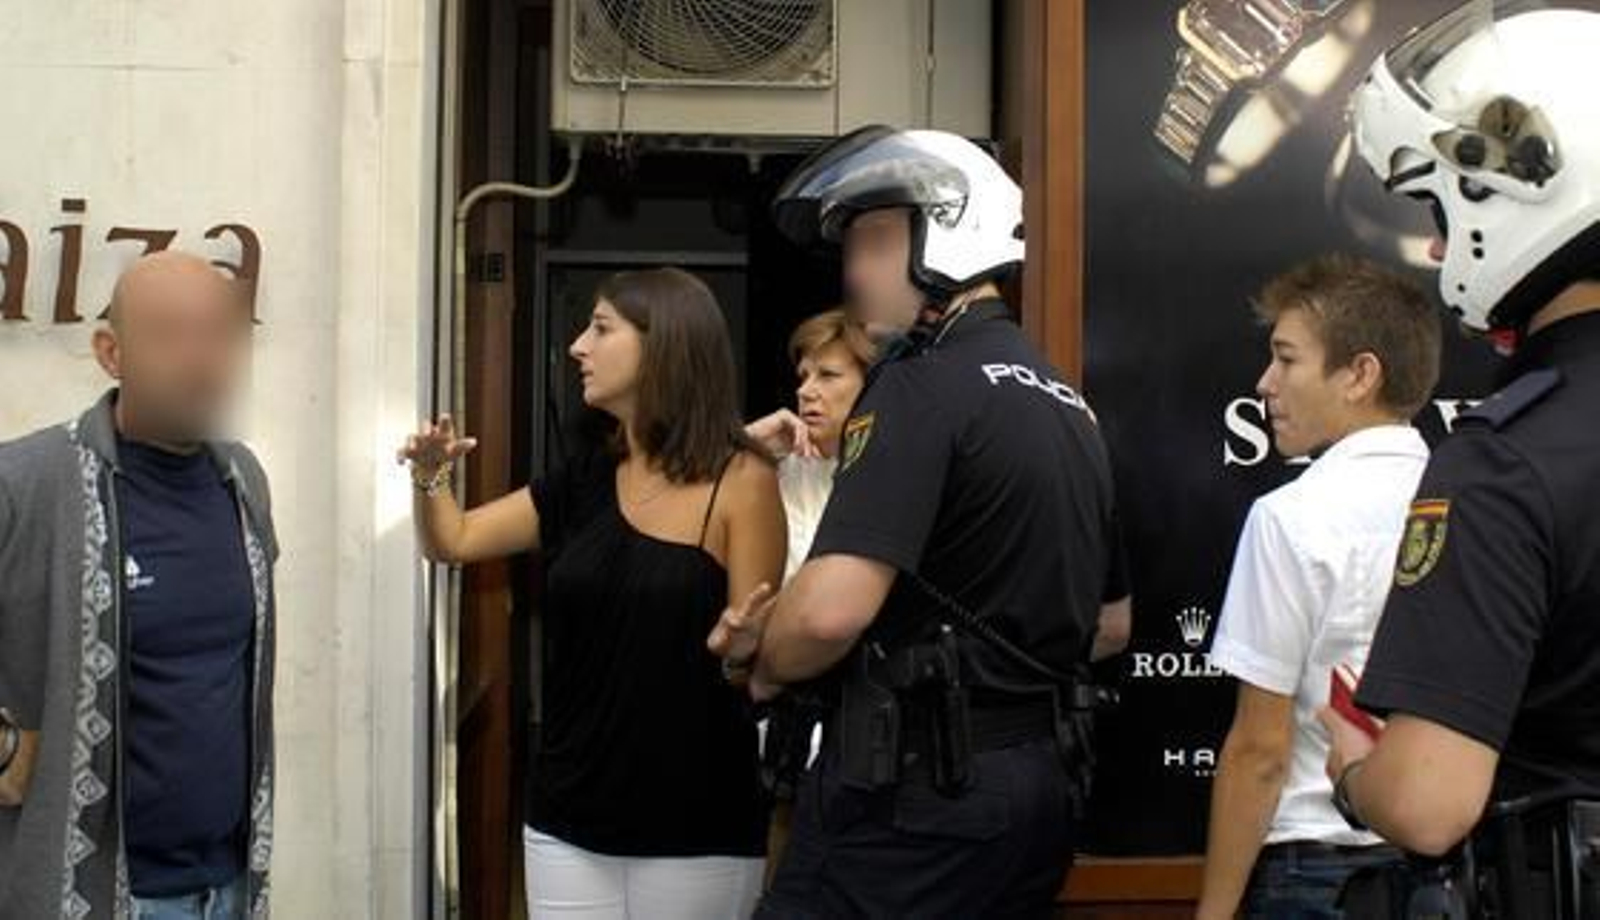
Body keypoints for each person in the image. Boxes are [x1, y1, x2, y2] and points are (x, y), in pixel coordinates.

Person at [709, 125, 1132, 918]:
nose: (853, 273)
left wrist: (763, 664)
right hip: (1036, 794)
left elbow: (829, 612)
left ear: (950, 234)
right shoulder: (1068, 404)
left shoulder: (916, 385)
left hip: (917, 802)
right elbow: (1110, 626)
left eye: (874, 243)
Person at [1317, 3, 1600, 914]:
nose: (1436, 246)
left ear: (1519, 189)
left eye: (1438, 207)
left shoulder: (1507, 460)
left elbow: (1427, 804)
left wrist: (1355, 773)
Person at [399, 267, 786, 920]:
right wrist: (431, 475)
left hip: (696, 820)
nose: (578, 346)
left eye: (601, 328)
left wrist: (743, 652)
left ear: (664, 346)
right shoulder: (583, 479)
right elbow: (454, 540)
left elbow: (758, 674)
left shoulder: (743, 481)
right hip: (567, 818)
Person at [0, 251, 278, 920]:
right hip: (83, 896)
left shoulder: (243, 482)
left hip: (228, 889)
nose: (200, 358)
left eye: (218, 334)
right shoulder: (25, 484)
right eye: (170, 334)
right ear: (111, 353)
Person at [1197, 254, 1441, 919]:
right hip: (1452, 871)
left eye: (1286, 359)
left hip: (1315, 869)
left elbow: (1260, 753)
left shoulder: (1291, 517)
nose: (1265, 383)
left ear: (1360, 374)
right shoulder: (1475, 507)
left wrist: (1213, 913)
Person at [746, 309, 878, 579]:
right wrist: (746, 443)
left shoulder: (895, 475)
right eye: (803, 376)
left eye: (827, 375)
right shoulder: (772, 467)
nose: (804, 391)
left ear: (871, 386)